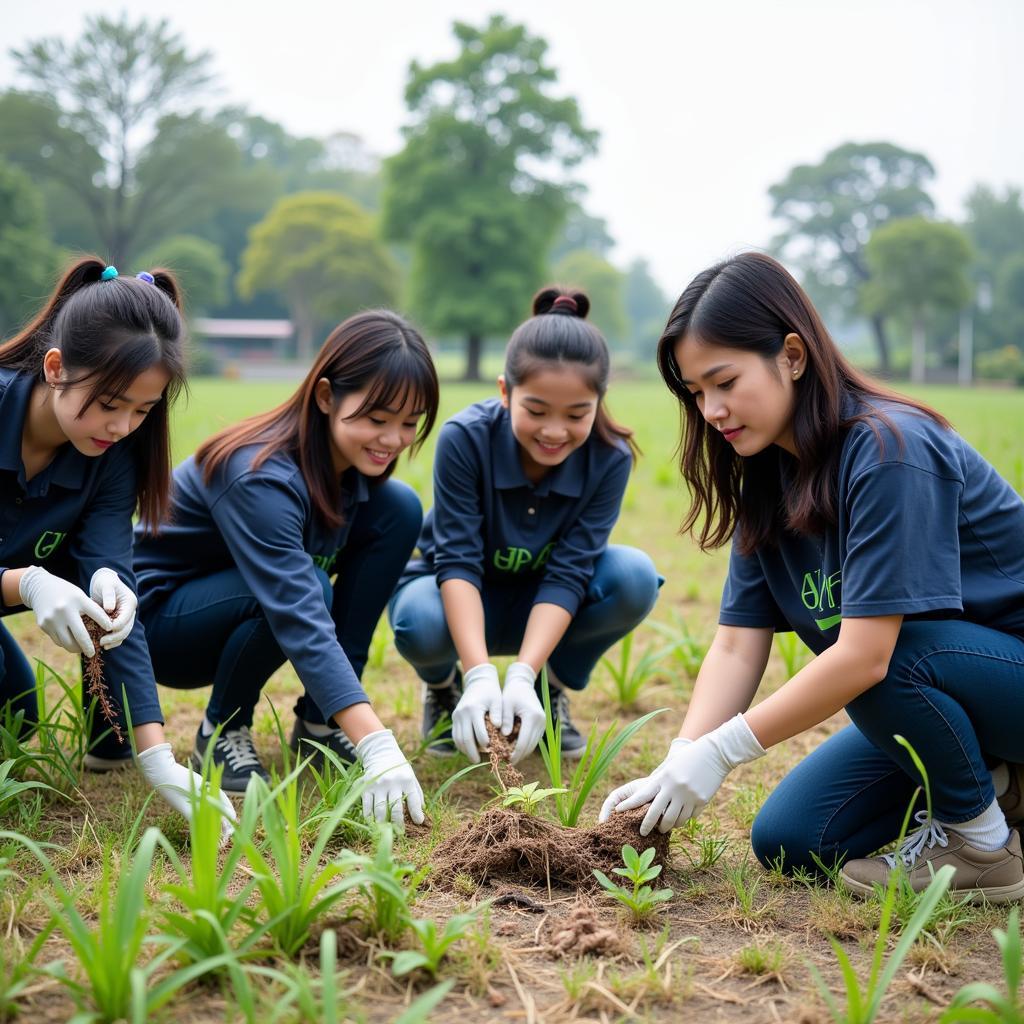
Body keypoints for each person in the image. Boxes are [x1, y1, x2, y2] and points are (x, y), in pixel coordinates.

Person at [600, 252, 1024, 903]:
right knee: (794, 839)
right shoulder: (766, 477)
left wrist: (723, 754)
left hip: (984, 674)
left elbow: (865, 658)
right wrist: (684, 753)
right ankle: (1003, 785)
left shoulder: (888, 450)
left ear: (792, 356)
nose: (711, 409)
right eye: (696, 393)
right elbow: (738, 644)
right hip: (949, 698)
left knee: (883, 655)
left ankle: (979, 843)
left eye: (725, 381)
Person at [132, 310, 438, 827]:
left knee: (401, 508)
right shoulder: (258, 473)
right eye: (376, 419)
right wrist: (378, 742)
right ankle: (222, 731)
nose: (392, 439)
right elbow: (297, 608)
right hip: (161, 624)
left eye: (409, 424)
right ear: (325, 397)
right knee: (311, 588)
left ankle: (322, 724)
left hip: (241, 603)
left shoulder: (352, 472)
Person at [0, 257, 234, 829]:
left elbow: (112, 584)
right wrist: (26, 583)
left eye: (143, 410)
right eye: (109, 404)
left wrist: (158, 759)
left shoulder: (112, 455)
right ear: (56, 367)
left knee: (14, 714)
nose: (122, 427)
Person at [390, 288, 661, 766]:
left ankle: (546, 689)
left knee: (633, 576)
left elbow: (570, 572)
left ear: (598, 402)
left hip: (546, 602)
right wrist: (478, 674)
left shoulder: (610, 458)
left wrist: (522, 673)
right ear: (504, 392)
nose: (555, 431)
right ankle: (445, 690)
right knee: (418, 621)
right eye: (536, 411)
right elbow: (457, 562)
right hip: (457, 597)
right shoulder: (464, 440)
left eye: (577, 414)